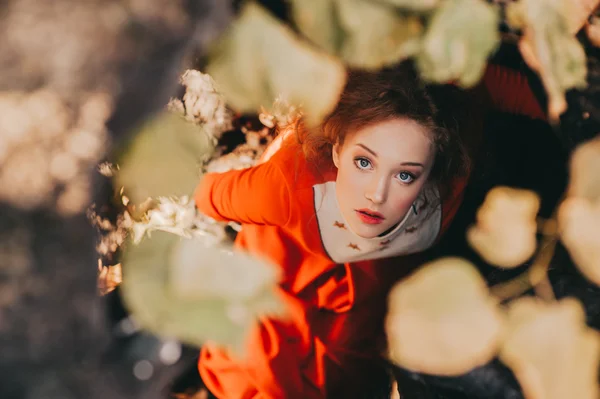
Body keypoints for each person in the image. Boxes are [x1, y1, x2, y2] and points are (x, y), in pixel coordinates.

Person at [193, 62, 479, 399]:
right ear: (338, 149)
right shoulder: (289, 185)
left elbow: (508, 89)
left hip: (360, 323)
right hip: (278, 292)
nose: (377, 195)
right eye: (364, 162)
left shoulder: (448, 193)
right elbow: (207, 196)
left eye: (405, 175)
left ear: (432, 173)